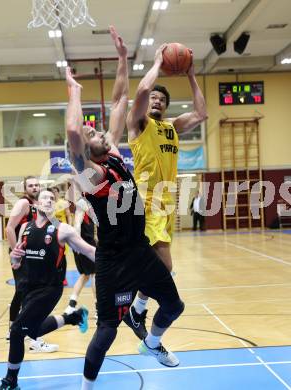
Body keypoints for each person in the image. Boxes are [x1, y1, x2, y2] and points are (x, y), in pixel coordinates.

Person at [66, 26, 184, 390]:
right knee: (106, 331)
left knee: (174, 306)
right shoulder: (91, 174)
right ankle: (87, 387)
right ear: (88, 150)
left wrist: (122, 59)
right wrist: (74, 91)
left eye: (96, 131)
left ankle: (151, 341)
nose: (95, 130)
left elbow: (119, 101)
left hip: (138, 251)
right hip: (113, 260)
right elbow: (73, 133)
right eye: (92, 133)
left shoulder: (113, 152)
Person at [125, 44, 207, 337]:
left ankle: (137, 308)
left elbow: (201, 113)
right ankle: (137, 309)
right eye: (154, 98)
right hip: (144, 205)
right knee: (166, 269)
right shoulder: (138, 123)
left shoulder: (171, 126)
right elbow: (141, 93)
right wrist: (158, 62)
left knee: (158, 268)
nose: (156, 100)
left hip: (166, 205)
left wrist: (192, 75)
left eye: (162, 99)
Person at [0, 188, 95, 390]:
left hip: (49, 289)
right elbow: (16, 261)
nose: (49, 200)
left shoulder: (63, 229)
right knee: (32, 331)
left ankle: (10, 381)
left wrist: (118, 264)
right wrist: (14, 257)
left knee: (16, 331)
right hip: (29, 288)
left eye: (52, 198)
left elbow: (88, 250)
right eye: (45, 198)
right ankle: (72, 317)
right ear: (36, 204)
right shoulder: (25, 227)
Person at [6, 176, 58, 353]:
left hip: (32, 255)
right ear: (25, 188)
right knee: (29, 295)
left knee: (23, 293)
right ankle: (33, 338)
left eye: (37, 185)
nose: (35, 187)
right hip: (23, 255)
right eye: (31, 185)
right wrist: (18, 252)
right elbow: (9, 228)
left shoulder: (37, 204)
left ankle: (14, 330)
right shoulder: (23, 203)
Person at [64, 196, 97, 317]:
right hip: (85, 245)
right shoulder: (82, 202)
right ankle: (98, 308)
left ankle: (71, 305)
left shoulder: (87, 205)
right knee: (95, 274)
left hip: (82, 244)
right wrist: (78, 245)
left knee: (85, 275)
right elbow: (77, 225)